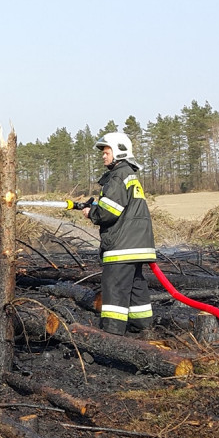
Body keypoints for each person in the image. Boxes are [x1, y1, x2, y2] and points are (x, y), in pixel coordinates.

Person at [68, 132, 156, 335]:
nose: (103, 156)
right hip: (138, 243)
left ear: (118, 152)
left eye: (106, 152)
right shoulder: (128, 175)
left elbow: (109, 212)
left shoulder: (118, 176)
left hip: (122, 245)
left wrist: (92, 213)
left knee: (115, 289)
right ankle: (143, 329)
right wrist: (95, 206)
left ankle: (112, 335)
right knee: (136, 287)